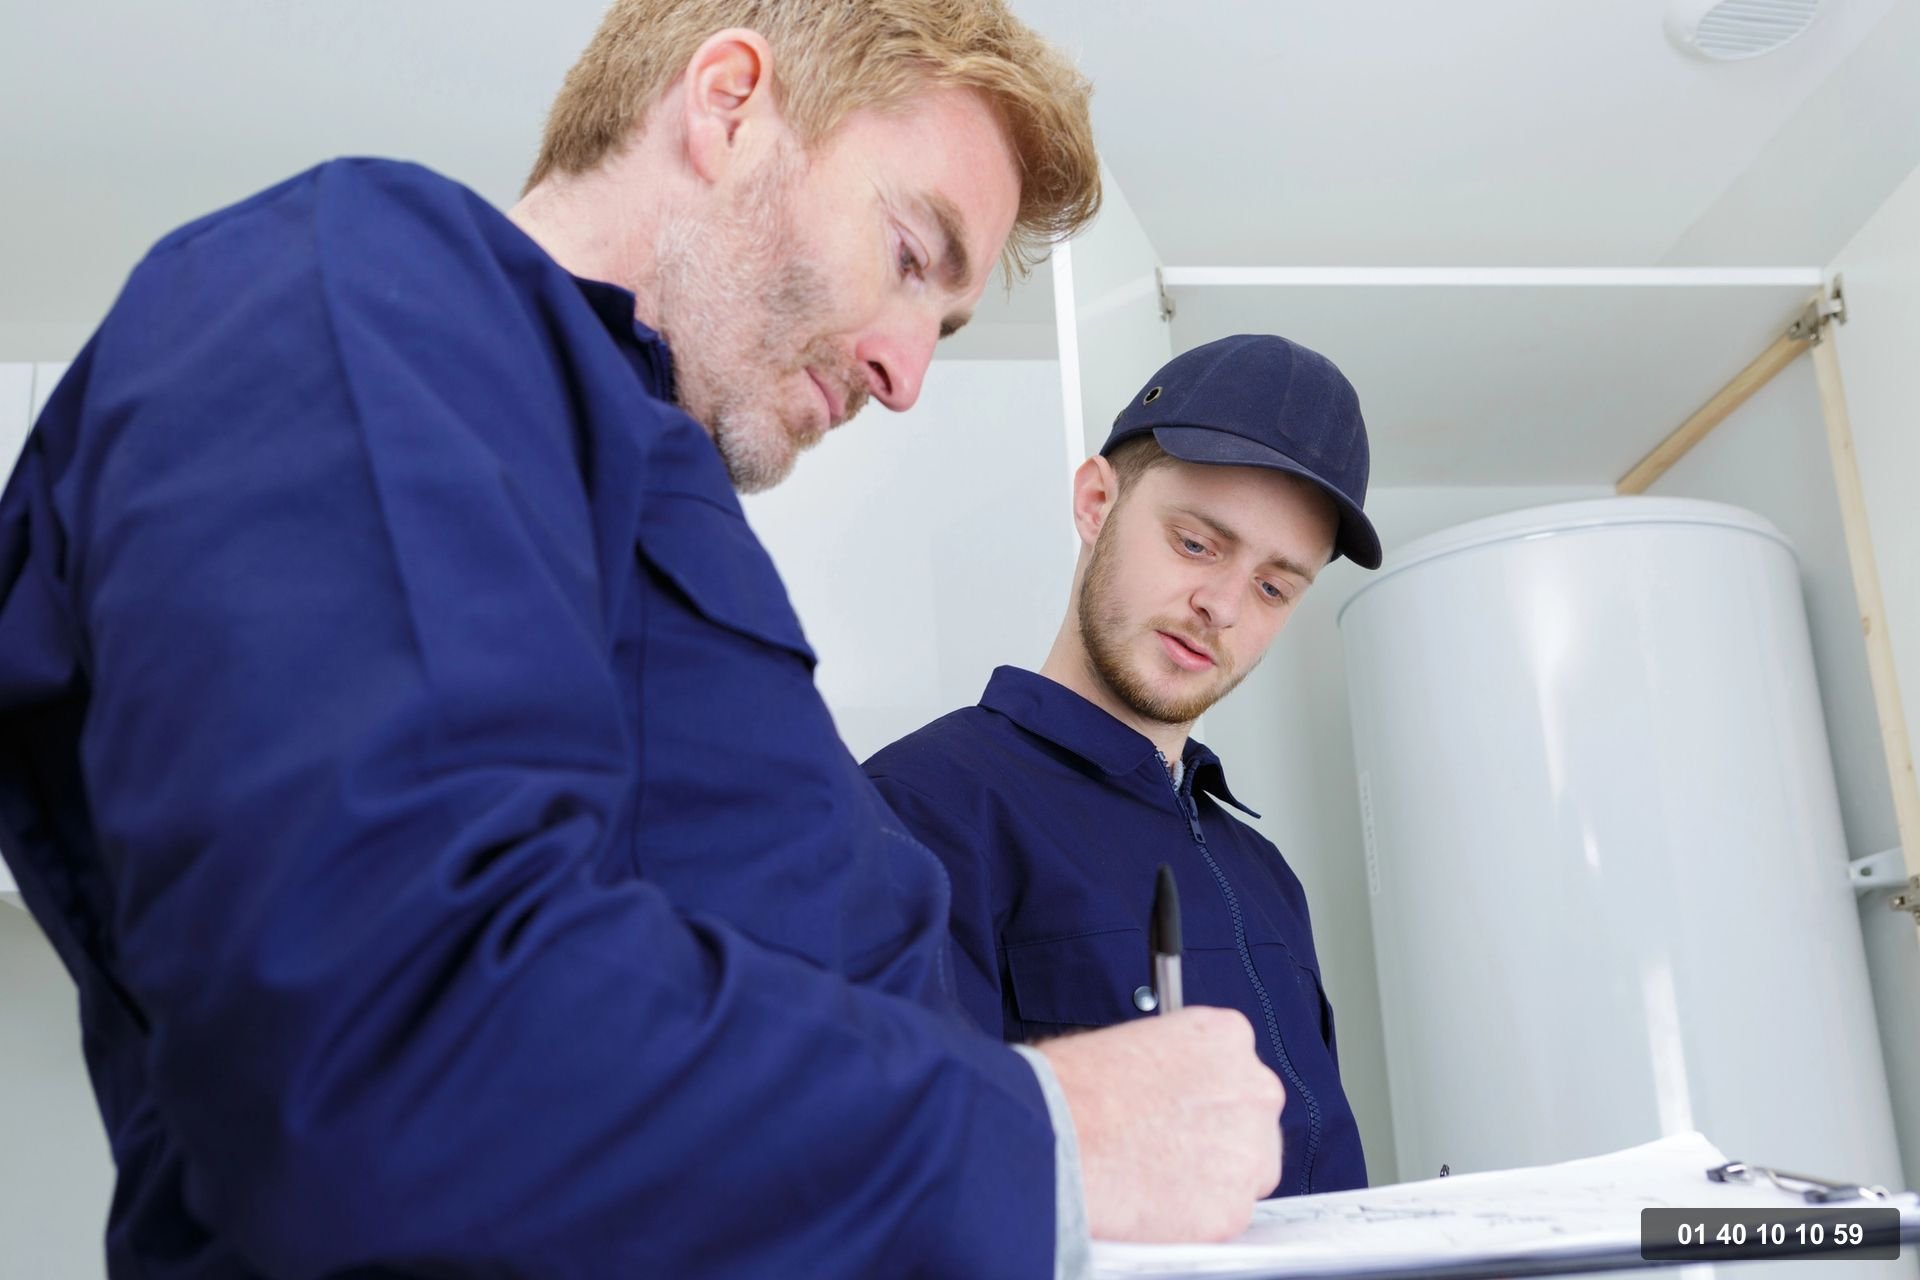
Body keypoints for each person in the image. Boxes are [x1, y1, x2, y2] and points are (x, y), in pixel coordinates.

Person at [0, 5, 1286, 1278]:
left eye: (944, 328)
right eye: (910, 255)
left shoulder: (643, 491)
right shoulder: (358, 291)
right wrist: (1049, 1140)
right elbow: (386, 1047)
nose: (907, 375)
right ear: (728, 106)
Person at [866, 333, 1382, 1199]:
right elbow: (906, 1183)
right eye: (1196, 544)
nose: (1221, 606)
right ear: (1096, 501)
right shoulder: (920, 809)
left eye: (1273, 587)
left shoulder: (1266, 877)